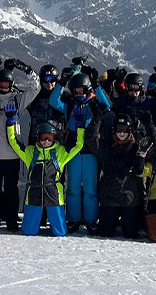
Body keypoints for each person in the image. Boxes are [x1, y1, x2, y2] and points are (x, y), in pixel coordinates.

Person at [5, 102, 86, 237]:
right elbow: (13, 142)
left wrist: (80, 126)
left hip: (54, 194)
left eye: (50, 138)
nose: (46, 141)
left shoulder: (60, 153)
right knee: (28, 232)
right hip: (34, 193)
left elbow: (79, 145)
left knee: (60, 233)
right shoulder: (30, 152)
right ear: (38, 138)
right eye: (43, 138)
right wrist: (10, 124)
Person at [49, 65, 109, 234]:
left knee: (90, 189)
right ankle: (73, 220)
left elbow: (107, 105)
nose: (78, 93)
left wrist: (97, 84)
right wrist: (60, 83)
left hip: (90, 152)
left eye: (82, 90)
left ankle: (91, 220)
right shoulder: (69, 106)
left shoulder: (94, 105)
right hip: (73, 151)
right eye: (75, 90)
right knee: (73, 188)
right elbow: (54, 101)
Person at [0, 59, 40, 231]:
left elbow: (35, 88)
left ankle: (10, 219)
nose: (3, 87)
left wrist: (27, 69)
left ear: (11, 84)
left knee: (11, 189)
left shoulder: (17, 101)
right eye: (0, 83)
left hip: (12, 154)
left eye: (6, 83)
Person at [95, 114, 152, 239]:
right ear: (113, 130)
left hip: (130, 199)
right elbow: (91, 140)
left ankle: (129, 220)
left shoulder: (136, 147)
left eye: (125, 130)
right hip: (110, 198)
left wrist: (149, 125)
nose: (121, 133)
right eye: (118, 129)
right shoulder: (107, 146)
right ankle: (113, 220)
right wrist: (97, 118)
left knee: (131, 234)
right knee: (105, 232)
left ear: (130, 130)